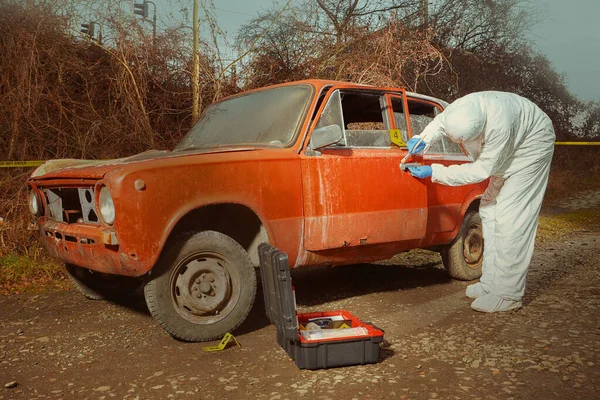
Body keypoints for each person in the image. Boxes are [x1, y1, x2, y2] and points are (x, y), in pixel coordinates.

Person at [406, 91, 555, 313]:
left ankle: (508, 294)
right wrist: (423, 139)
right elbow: (439, 123)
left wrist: (434, 171)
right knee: (489, 210)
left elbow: (481, 171)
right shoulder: (460, 108)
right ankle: (491, 284)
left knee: (510, 218)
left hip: (531, 147)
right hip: (512, 144)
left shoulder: (501, 125)